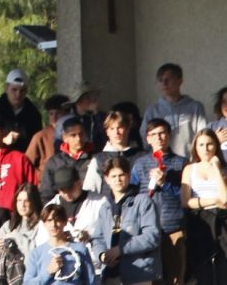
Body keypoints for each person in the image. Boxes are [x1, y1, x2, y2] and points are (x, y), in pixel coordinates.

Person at [130, 119, 186, 285]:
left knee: (175, 277)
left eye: (162, 133)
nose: (158, 138)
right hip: (147, 230)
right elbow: (132, 195)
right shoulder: (140, 163)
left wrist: (165, 183)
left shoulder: (181, 163)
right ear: (148, 138)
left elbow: (185, 196)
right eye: (153, 134)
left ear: (169, 135)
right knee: (149, 278)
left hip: (173, 227)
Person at [95, 155, 162, 283]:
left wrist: (121, 249)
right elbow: (97, 238)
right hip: (110, 274)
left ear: (129, 176)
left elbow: (152, 236)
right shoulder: (105, 207)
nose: (118, 180)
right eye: (113, 176)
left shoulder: (143, 202)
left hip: (140, 273)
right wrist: (102, 255)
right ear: (106, 179)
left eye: (121, 175)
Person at [182, 128, 227, 285]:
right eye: (201, 145)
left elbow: (225, 199)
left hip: (221, 221)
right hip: (199, 221)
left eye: (209, 144)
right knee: (202, 269)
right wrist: (213, 199)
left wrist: (216, 168)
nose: (205, 148)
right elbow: (186, 201)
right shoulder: (189, 169)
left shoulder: (223, 168)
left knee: (223, 268)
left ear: (216, 145)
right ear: (195, 147)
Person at [143, 64, 210, 160]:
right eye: (161, 80)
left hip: (189, 162)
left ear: (180, 80)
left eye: (168, 79)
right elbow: (145, 138)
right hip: (160, 162)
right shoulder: (152, 110)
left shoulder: (195, 107)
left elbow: (202, 135)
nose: (164, 83)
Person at [24, 205, 97, 285]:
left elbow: (91, 281)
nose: (53, 224)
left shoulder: (80, 249)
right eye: (49, 220)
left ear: (65, 222)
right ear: (44, 223)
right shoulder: (36, 253)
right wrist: (48, 272)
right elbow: (27, 283)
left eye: (57, 220)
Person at [45, 166, 109, 256]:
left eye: (70, 188)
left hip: (94, 259)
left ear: (79, 183)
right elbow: (42, 240)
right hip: (63, 259)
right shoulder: (50, 208)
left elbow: (108, 233)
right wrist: (60, 237)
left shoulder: (99, 202)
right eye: (62, 190)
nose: (67, 194)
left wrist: (89, 235)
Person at [86, 110, 145, 197]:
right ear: (107, 132)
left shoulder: (142, 156)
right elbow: (91, 191)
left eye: (120, 127)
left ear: (128, 128)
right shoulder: (98, 159)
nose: (116, 132)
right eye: (112, 129)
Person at [41, 116, 95, 204]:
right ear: (65, 138)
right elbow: (46, 193)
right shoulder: (54, 162)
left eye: (81, 134)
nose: (78, 138)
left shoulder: (95, 158)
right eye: (73, 135)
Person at [27, 95, 71, 174]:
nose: (54, 117)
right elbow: (26, 163)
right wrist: (41, 176)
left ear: (67, 113)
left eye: (59, 113)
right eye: (51, 114)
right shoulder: (40, 136)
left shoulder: (76, 133)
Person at [0, 182, 45, 257]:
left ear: (34, 202)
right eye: (19, 200)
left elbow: (37, 253)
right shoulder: (8, 226)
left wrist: (16, 236)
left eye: (26, 201)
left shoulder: (42, 225)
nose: (22, 205)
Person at [61, 83, 107, 153]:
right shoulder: (67, 120)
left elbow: (105, 136)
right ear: (79, 101)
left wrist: (97, 114)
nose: (92, 100)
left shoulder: (101, 116)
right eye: (88, 97)